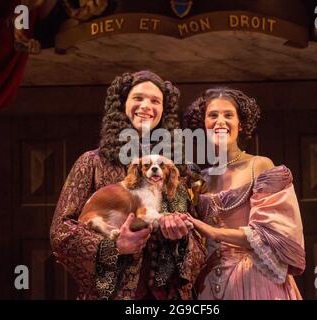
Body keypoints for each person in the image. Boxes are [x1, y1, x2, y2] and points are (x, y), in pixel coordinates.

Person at [50, 70, 205, 300]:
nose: (146, 106)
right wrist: (114, 247)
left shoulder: (175, 171)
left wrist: (180, 238)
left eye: (155, 101)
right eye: (138, 98)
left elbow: (200, 246)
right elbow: (61, 232)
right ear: (123, 104)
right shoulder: (92, 162)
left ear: (163, 111)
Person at [183, 88, 305, 300]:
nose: (220, 121)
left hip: (254, 279)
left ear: (241, 124)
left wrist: (212, 231)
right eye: (213, 115)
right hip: (209, 284)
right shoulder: (200, 179)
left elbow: (272, 235)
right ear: (203, 125)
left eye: (228, 115)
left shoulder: (259, 166)